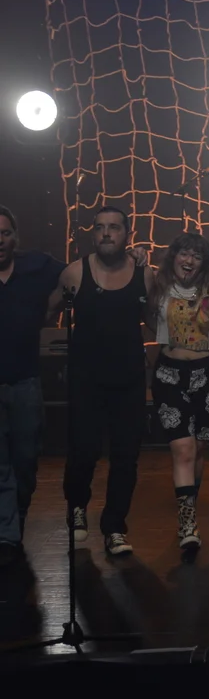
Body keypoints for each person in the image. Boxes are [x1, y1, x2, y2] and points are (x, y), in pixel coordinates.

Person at [52, 206, 155, 556]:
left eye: (113, 227)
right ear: (93, 233)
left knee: (126, 457)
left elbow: (156, 320)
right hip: (87, 379)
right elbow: (47, 309)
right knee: (83, 452)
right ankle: (77, 507)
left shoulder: (144, 273)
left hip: (128, 379)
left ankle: (114, 527)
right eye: (99, 228)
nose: (106, 233)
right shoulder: (75, 272)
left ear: (127, 234)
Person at [147, 232, 209, 552]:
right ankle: (188, 523)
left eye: (196, 255)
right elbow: (147, 321)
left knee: (198, 448)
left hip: (208, 374)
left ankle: (189, 504)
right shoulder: (158, 287)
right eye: (183, 253)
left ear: (204, 262)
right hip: (170, 374)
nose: (189, 260)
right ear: (173, 257)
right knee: (182, 449)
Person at [0, 206, 65, 566]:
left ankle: (16, 520)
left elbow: (76, 274)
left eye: (4, 233)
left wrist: (132, 258)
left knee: (25, 461)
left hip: (25, 381)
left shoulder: (36, 266)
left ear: (15, 237)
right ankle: (7, 535)